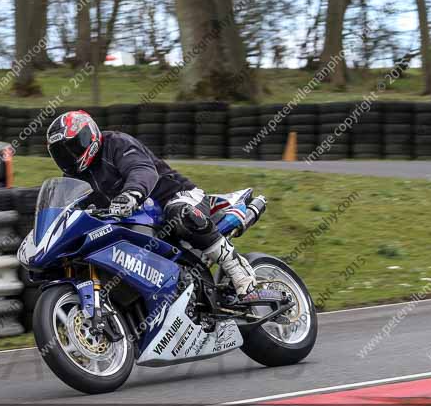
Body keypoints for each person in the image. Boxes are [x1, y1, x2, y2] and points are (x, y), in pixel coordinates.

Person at [45, 110, 267, 305]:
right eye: (62, 153)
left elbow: (142, 170)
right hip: (138, 220)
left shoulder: (116, 143)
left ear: (89, 134)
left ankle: (238, 270)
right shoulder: (74, 177)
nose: (71, 156)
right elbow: (74, 205)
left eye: (74, 147)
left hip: (175, 196)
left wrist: (131, 194)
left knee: (179, 214)